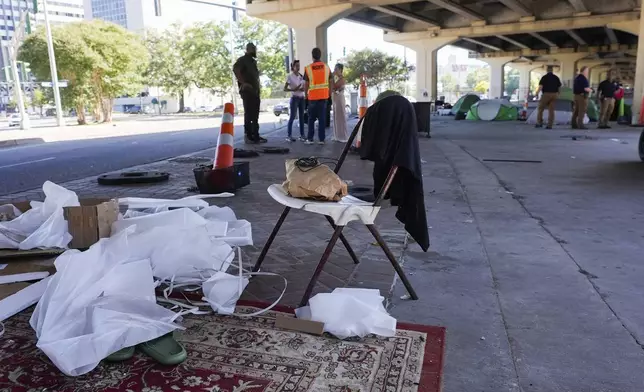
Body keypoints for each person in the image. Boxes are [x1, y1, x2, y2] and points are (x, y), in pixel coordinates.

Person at [233, 43, 266, 144]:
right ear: (248, 49)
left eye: (255, 49)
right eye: (253, 49)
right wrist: (244, 83)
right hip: (247, 91)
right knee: (249, 113)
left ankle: (255, 135)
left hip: (255, 92)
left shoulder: (252, 62)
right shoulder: (243, 60)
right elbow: (236, 69)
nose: (254, 50)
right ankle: (248, 135)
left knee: (255, 114)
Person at [303, 47, 334, 145]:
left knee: (311, 119)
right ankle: (321, 140)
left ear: (312, 56)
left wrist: (305, 95)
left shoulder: (308, 68)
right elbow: (331, 81)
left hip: (312, 98)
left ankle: (310, 139)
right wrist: (329, 94)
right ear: (320, 55)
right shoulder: (326, 67)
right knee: (322, 119)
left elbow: (306, 84)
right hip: (324, 97)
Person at [283, 60, 306, 142]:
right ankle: (289, 135)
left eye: (299, 65)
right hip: (295, 98)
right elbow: (285, 89)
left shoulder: (301, 76)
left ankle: (302, 135)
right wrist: (294, 89)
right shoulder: (290, 76)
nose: (298, 67)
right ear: (292, 67)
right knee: (292, 116)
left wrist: (303, 89)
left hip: (302, 98)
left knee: (302, 117)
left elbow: (304, 86)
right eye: (296, 66)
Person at [331, 63, 349, 142]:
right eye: (334, 69)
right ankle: (337, 135)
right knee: (336, 117)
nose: (335, 71)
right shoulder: (337, 78)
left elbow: (334, 87)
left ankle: (342, 136)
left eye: (336, 69)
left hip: (339, 99)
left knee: (340, 117)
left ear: (340, 70)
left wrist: (331, 78)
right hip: (335, 99)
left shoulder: (342, 79)